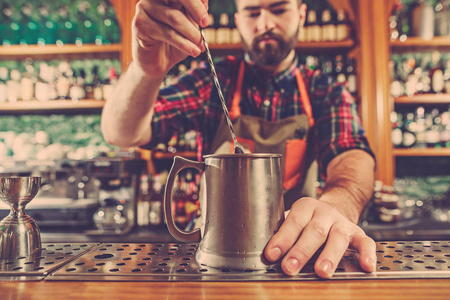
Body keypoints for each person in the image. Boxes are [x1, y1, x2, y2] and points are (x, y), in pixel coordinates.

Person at [101, 0, 377, 279]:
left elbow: (352, 155)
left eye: (279, 10)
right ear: (237, 19)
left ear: (302, 15)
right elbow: (121, 133)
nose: (265, 23)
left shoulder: (326, 91)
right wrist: (146, 70)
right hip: (216, 266)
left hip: (296, 263)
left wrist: (337, 205)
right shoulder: (212, 80)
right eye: (253, 12)